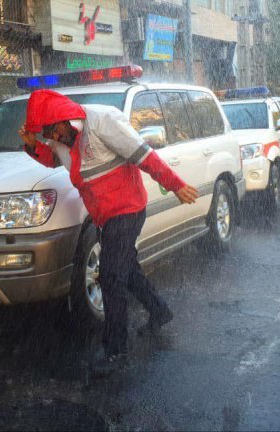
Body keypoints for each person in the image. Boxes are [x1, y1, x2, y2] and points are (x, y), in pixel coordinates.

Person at [18, 89, 199, 375]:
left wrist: (175, 185)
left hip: (127, 209)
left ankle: (116, 350)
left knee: (111, 275)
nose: (50, 139)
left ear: (64, 120)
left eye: (51, 132)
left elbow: (145, 158)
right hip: (103, 215)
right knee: (127, 269)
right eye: (45, 134)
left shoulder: (102, 121)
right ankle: (159, 311)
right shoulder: (60, 140)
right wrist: (32, 146)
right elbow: (54, 160)